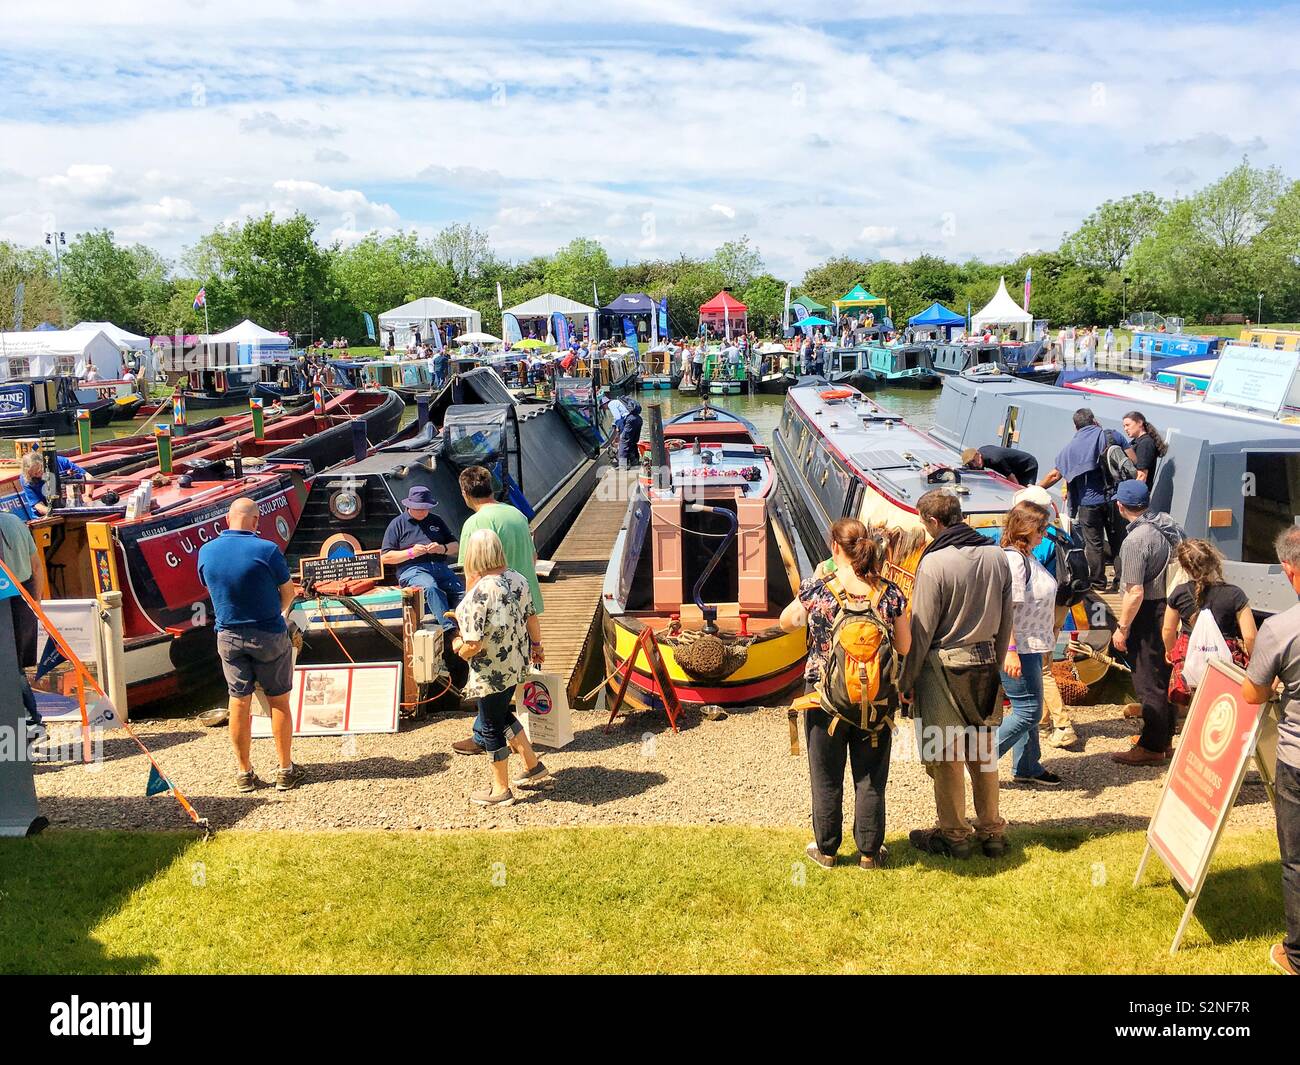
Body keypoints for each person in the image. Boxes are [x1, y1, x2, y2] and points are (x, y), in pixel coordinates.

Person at [779, 518, 910, 870]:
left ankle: (827, 851)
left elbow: (785, 622)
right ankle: (869, 853)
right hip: (876, 702)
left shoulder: (818, 587)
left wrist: (813, 587)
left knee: (826, 777)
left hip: (824, 699)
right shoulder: (890, 592)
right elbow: (904, 644)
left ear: (834, 547)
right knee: (870, 778)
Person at [902, 489, 1013, 858]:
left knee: (945, 755)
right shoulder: (998, 556)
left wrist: (906, 680)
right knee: (983, 754)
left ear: (933, 522)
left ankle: (954, 837)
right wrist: (996, 665)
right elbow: (1006, 618)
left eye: (923, 523)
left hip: (940, 671)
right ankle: (992, 834)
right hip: (984, 664)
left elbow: (921, 631)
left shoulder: (934, 563)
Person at [197, 498, 303, 792]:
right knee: (278, 700)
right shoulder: (266, 550)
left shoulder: (206, 551)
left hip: (228, 635)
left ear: (227, 519)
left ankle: (244, 772)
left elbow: (213, 588)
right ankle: (285, 769)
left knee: (238, 703)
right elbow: (288, 592)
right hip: (268, 633)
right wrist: (277, 614)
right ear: (256, 521)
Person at [453, 529, 549, 806]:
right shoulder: (518, 579)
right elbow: (531, 618)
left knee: (491, 724)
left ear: (473, 555)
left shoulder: (478, 593)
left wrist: (458, 646)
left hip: (490, 671)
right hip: (516, 662)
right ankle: (532, 765)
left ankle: (500, 790)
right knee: (501, 713)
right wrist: (538, 646)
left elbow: (473, 643)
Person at [453, 466, 545, 756]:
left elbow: (472, 573)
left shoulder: (474, 523)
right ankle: (499, 735)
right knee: (512, 668)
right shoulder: (516, 514)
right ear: (491, 487)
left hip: (491, 610)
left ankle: (485, 735)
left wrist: (467, 617)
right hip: (523, 599)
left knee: (488, 675)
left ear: (465, 493)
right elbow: (533, 556)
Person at [1241, 526, 1300, 975]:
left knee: (1296, 861)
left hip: (1297, 760)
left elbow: (1252, 694)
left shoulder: (1280, 628)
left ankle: (1297, 955)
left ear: (1288, 571)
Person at [1110, 479, 1186, 767]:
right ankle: (1163, 739)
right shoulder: (1167, 525)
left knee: (1146, 681)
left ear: (1120, 505)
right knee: (1163, 675)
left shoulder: (1135, 541)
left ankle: (1151, 746)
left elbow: (1134, 591)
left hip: (1147, 611)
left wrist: (1123, 627)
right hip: (1169, 608)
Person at [995, 501, 1062, 786]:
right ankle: (976, 759)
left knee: (1030, 710)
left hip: (1031, 645)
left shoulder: (1027, 556)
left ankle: (1027, 765)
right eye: (1040, 527)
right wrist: (1010, 651)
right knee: (1028, 710)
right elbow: (1008, 607)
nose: (1044, 533)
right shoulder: (1014, 560)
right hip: (1018, 647)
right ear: (1025, 529)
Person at [1162, 539, 1255, 707]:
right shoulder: (1235, 594)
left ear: (1184, 568)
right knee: (1226, 698)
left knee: (1195, 693)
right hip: (1225, 653)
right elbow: (1250, 636)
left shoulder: (1179, 593)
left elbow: (1168, 629)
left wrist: (1170, 651)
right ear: (1215, 560)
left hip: (1189, 650)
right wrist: (1254, 658)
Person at [1038, 408, 1124, 590]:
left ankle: (1098, 583)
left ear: (1075, 426)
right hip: (1114, 499)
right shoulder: (1111, 436)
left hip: (1088, 502)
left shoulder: (1071, 448)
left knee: (1094, 543)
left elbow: (1054, 475)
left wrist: (1036, 489)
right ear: (1094, 420)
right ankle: (1121, 582)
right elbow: (1130, 459)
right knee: (1118, 542)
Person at [379, 485, 463, 632]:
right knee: (430, 587)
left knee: (461, 591)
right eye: (419, 508)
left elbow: (456, 545)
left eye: (426, 508)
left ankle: (468, 624)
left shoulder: (436, 520)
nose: (423, 511)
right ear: (409, 506)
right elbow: (385, 557)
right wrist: (411, 553)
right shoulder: (397, 524)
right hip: (411, 569)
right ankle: (449, 629)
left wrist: (441, 549)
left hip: (439, 566)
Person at [0, 507, 46, 734]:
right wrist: (35, 602)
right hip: (25, 595)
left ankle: (32, 721)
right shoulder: (16, 522)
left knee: (11, 666)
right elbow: (37, 566)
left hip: (7, 600)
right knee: (16, 665)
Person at [1122, 410, 1166, 486]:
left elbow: (1141, 476)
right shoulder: (1136, 442)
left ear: (1139, 423)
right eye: (1124, 426)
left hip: (1135, 492)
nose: (1125, 429)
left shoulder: (1145, 443)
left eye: (1128, 425)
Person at [960, 444, 1039, 486]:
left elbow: (1011, 477)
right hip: (1013, 466)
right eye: (971, 463)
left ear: (978, 454)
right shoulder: (981, 453)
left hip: (1028, 466)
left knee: (1024, 492)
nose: (974, 465)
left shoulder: (995, 459)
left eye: (974, 461)